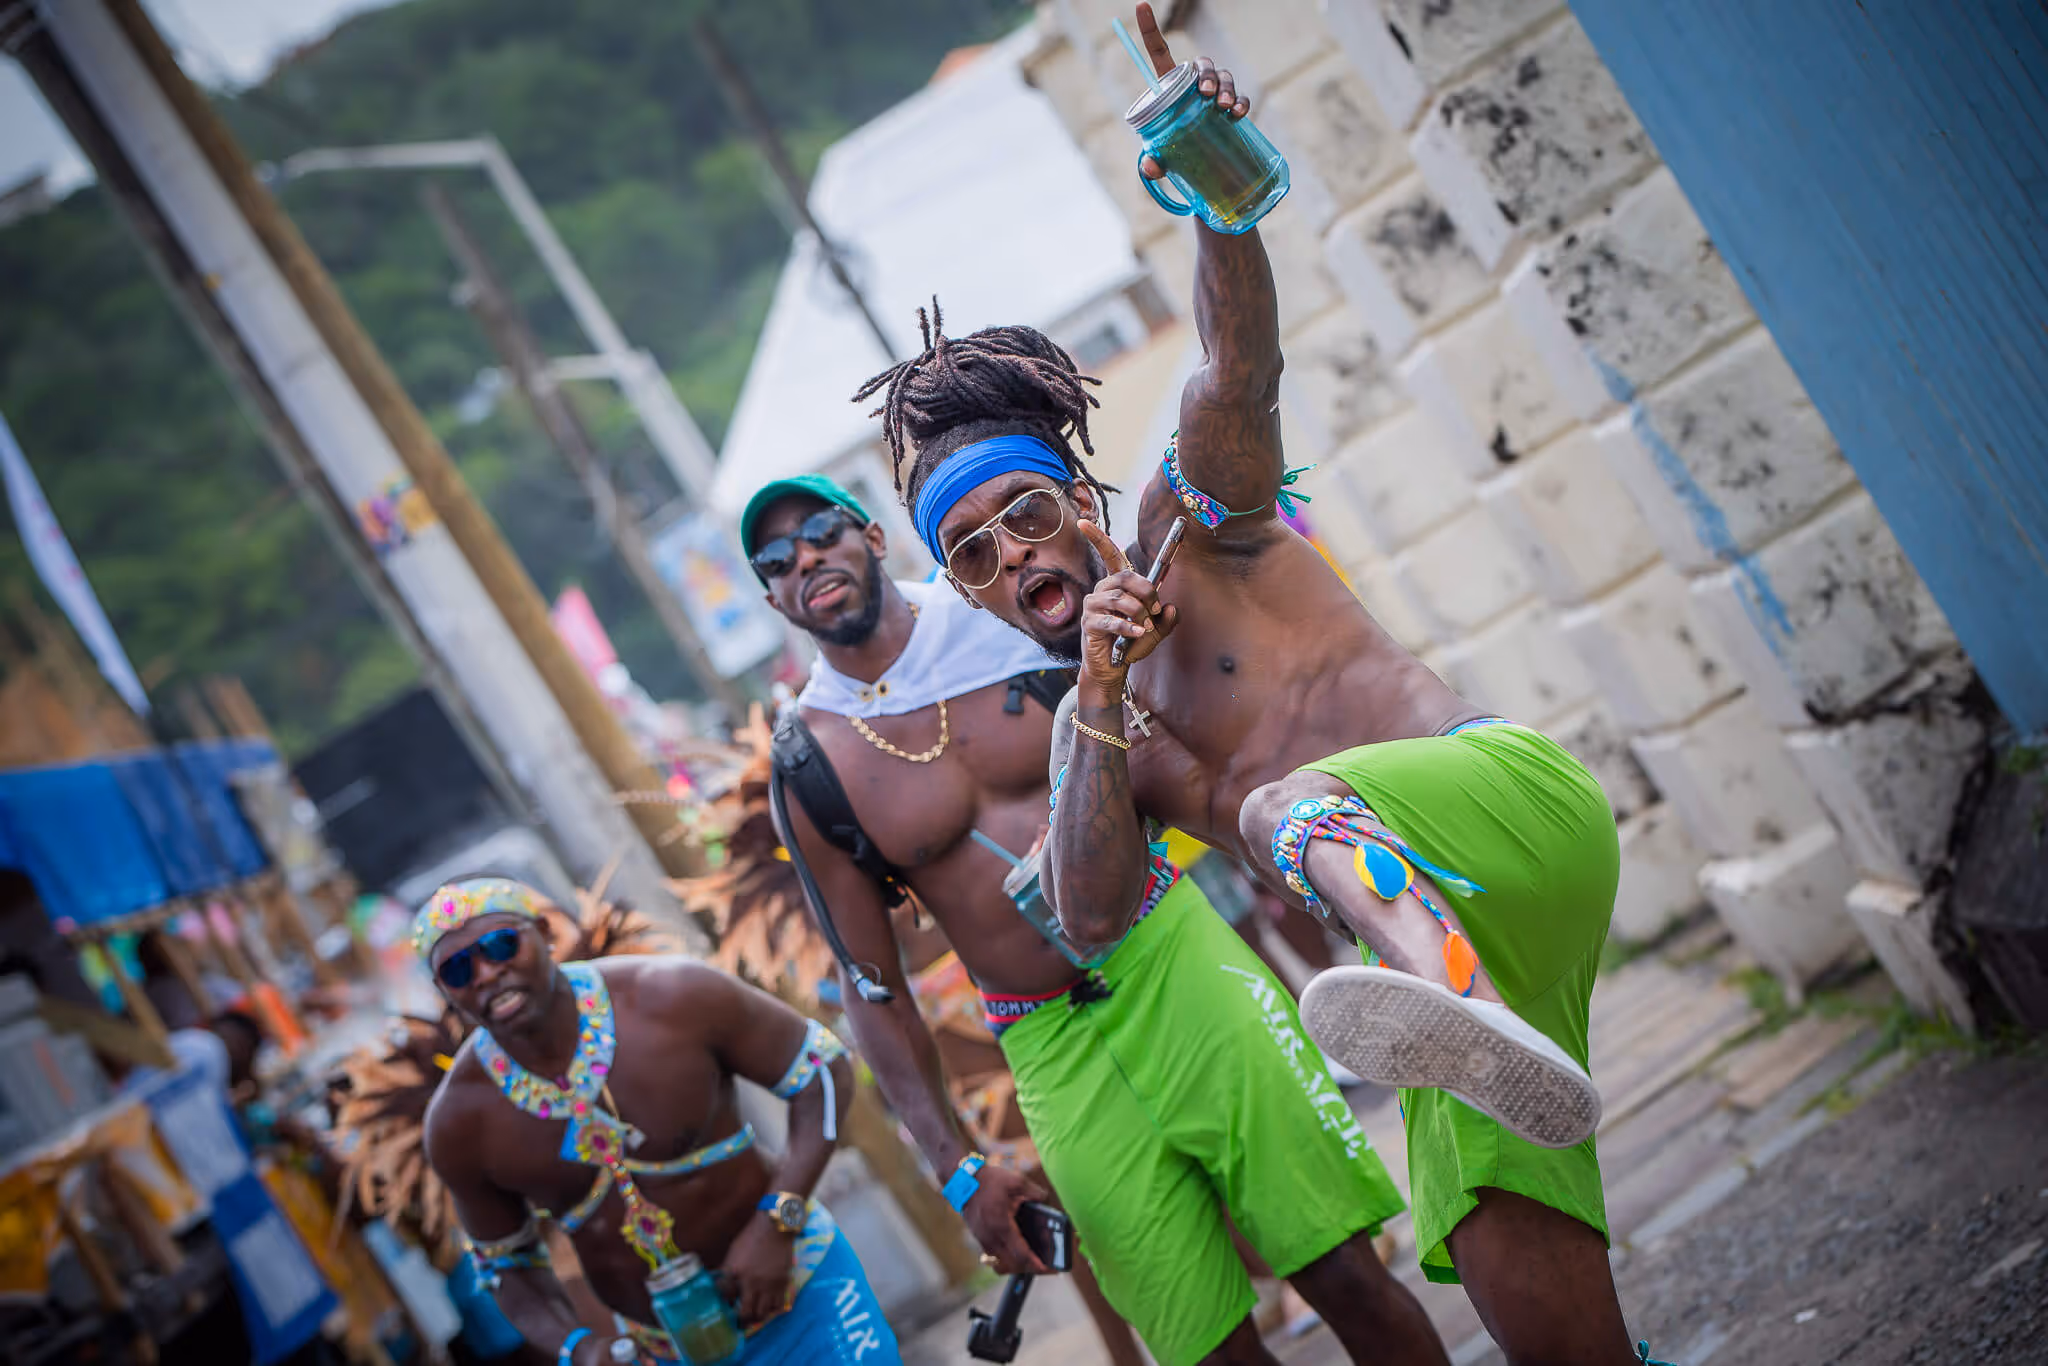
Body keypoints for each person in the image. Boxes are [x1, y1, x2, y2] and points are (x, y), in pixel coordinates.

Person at [868, 8, 1642, 1359]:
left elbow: (1238, 367)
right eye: (974, 555)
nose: (1013, 555)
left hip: (1499, 804)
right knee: (1502, 1223)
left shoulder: (1190, 519)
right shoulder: (1088, 723)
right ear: (976, 592)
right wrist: (1100, 689)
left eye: (1025, 512)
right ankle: (1454, 1000)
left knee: (1292, 800)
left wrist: (1219, 194)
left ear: (1075, 490)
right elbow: (1093, 911)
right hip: (1457, 985)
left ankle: (1433, 966)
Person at [741, 474, 1445, 1366]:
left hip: (1167, 956)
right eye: (778, 557)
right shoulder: (810, 755)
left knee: (1343, 1271)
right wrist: (956, 1166)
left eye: (821, 531)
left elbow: (1171, 734)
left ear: (871, 538)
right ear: (771, 594)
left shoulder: (998, 624)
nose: (805, 556)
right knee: (1203, 1345)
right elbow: (868, 982)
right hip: (1048, 1046)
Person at [418, 878, 898, 1365]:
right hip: (668, 1352)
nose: (484, 972)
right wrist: (579, 1350)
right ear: (445, 991)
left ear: (544, 932)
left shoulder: (671, 994)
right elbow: (506, 1268)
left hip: (804, 1291)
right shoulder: (460, 1122)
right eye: (458, 969)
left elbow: (823, 1073)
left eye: (500, 945)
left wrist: (779, 1222)